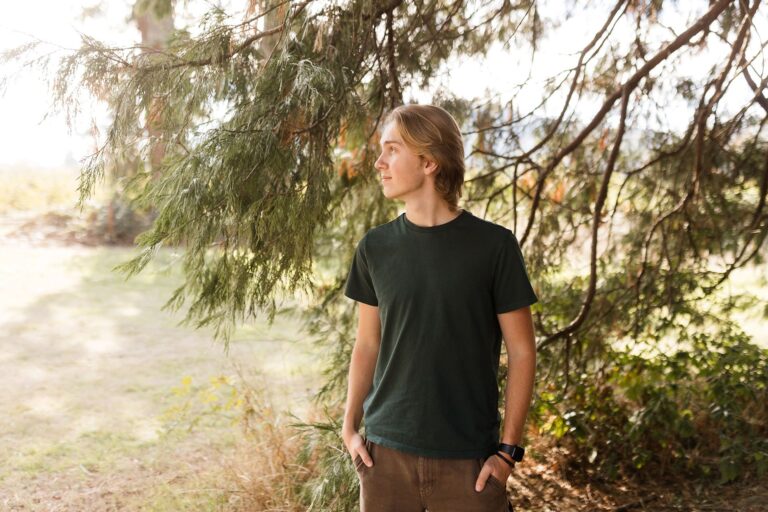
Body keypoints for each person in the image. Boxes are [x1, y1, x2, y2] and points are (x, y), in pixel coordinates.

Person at [341, 104, 538, 512]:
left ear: (429, 161)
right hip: (384, 458)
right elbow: (367, 345)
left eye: (392, 150)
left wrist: (507, 454)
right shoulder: (375, 248)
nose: (379, 163)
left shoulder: (494, 247)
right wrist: (349, 427)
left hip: (470, 463)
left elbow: (522, 352)